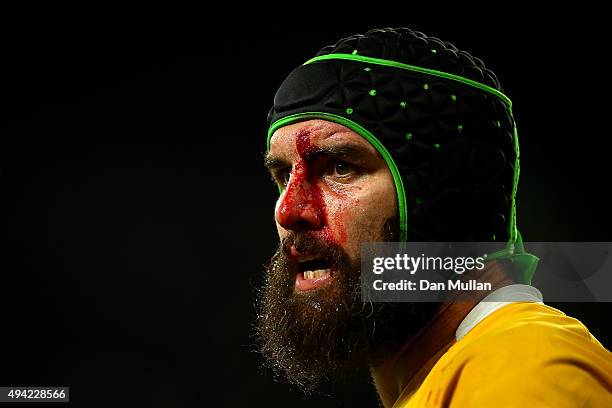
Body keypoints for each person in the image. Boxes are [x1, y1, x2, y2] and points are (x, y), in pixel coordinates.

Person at [256, 27, 612, 407]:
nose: (289, 210)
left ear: (447, 197)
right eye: (282, 176)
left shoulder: (525, 370)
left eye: (339, 167)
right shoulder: (455, 376)